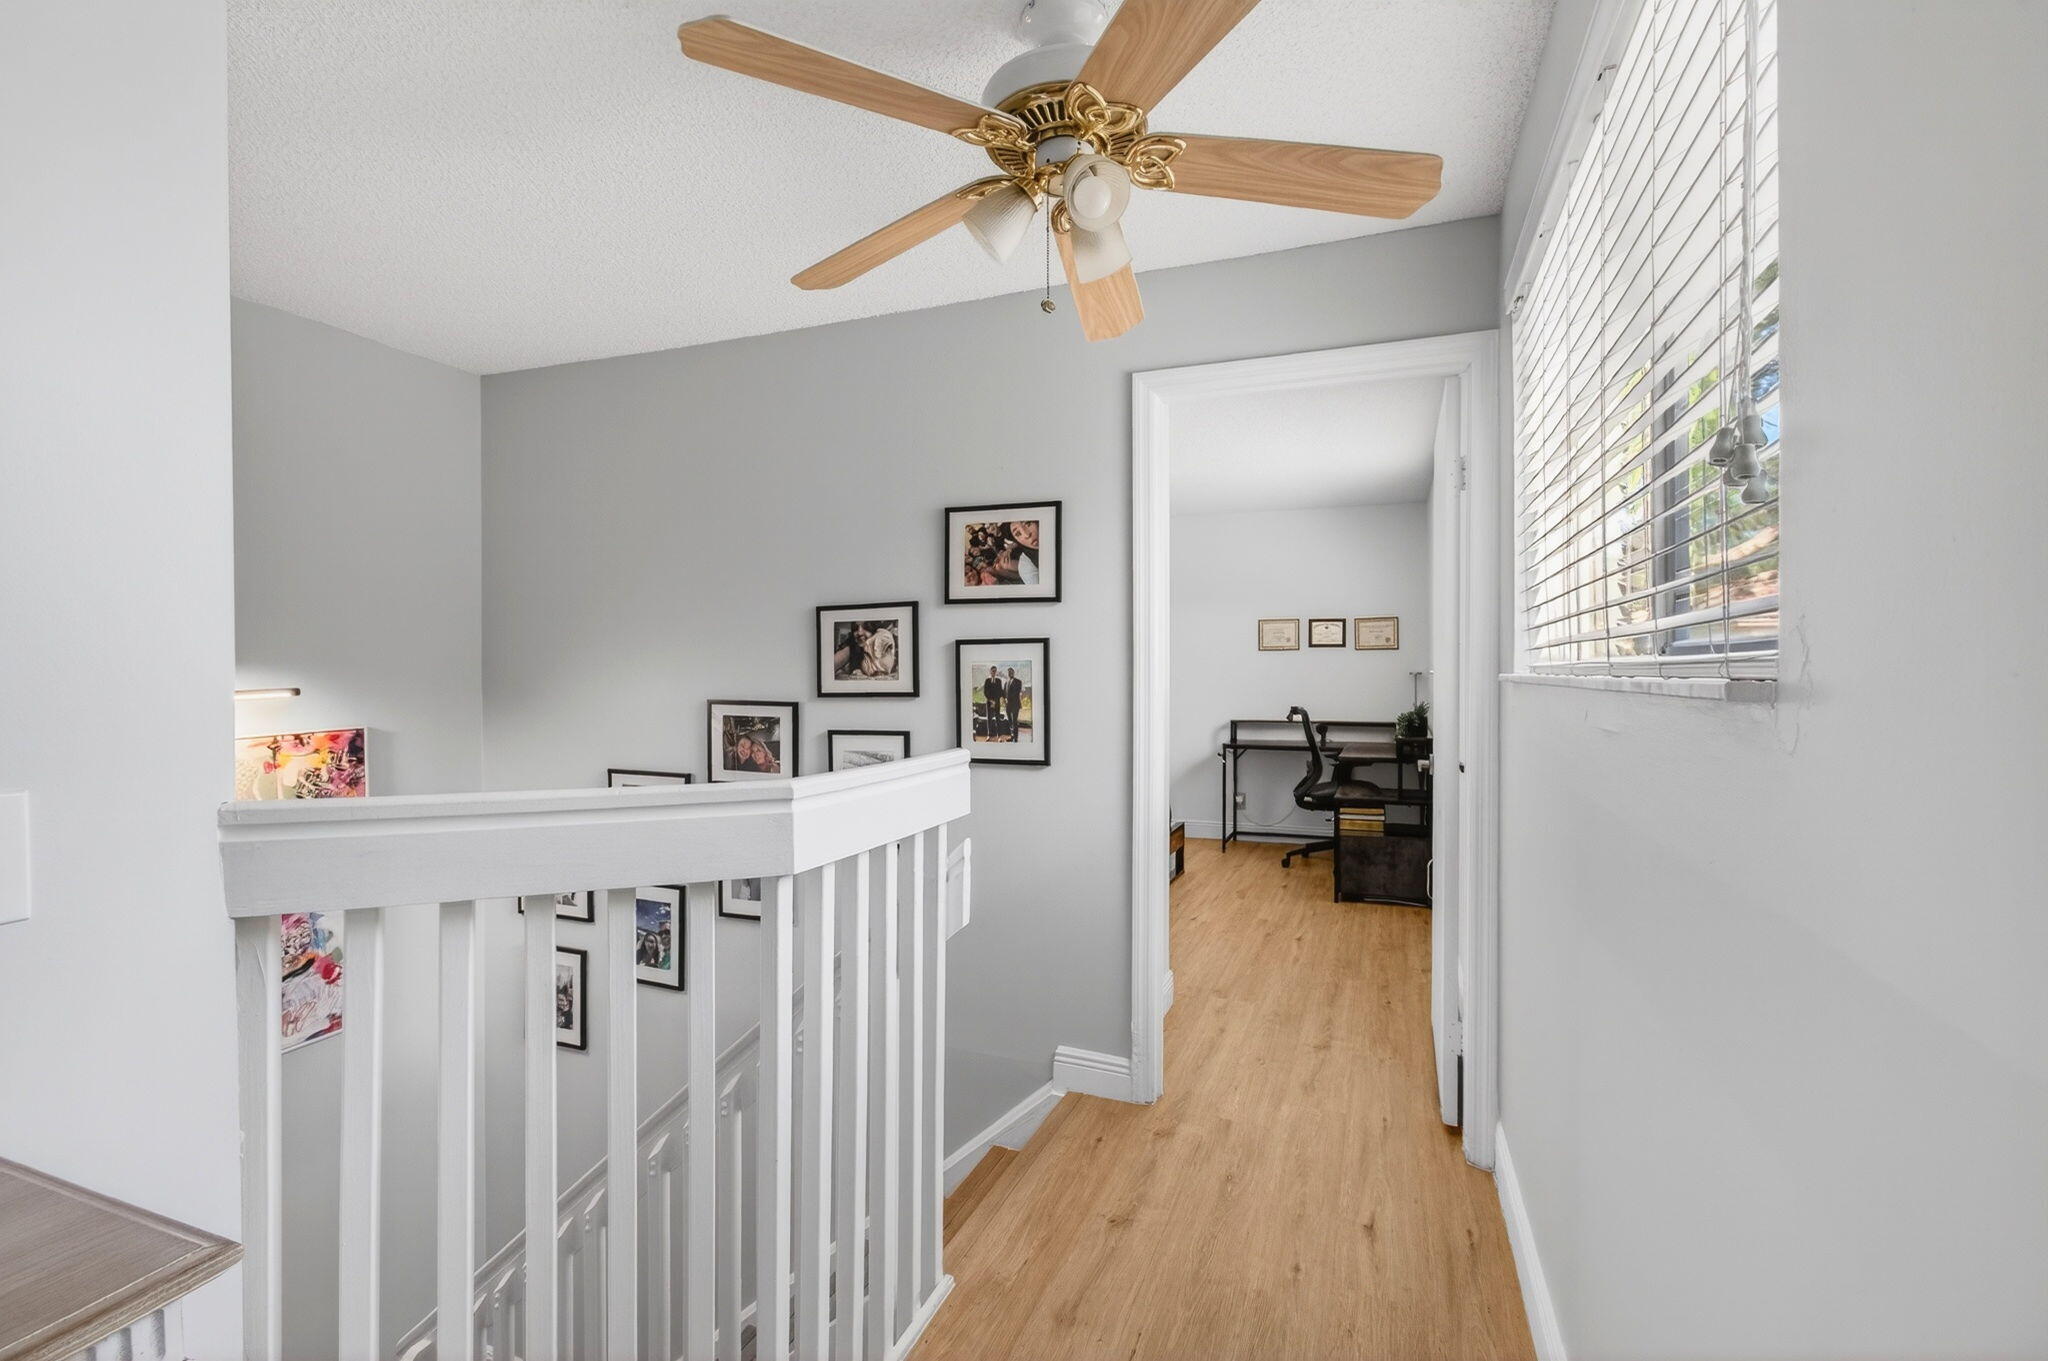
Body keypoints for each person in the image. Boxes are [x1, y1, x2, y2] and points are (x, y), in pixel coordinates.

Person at [983, 666, 1006, 739]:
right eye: (993, 671)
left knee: (998, 719)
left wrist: (1004, 698)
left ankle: (999, 736)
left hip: (997, 703)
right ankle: (989, 736)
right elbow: (985, 692)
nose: (994, 672)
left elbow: (1000, 691)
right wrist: (991, 700)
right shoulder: (987, 680)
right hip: (989, 703)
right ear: (990, 671)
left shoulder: (999, 680)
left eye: (995, 671)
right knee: (989, 719)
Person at [1004, 666, 1024, 740]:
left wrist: (1008, 698)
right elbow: (1004, 693)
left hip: (1015, 704)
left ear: (1013, 673)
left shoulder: (1018, 681)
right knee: (1010, 721)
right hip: (1008, 705)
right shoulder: (1006, 682)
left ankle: (1016, 738)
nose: (1010, 673)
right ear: (1008, 673)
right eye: (1009, 672)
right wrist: (1005, 698)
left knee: (1014, 722)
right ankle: (1012, 736)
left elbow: (1016, 692)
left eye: (1011, 672)